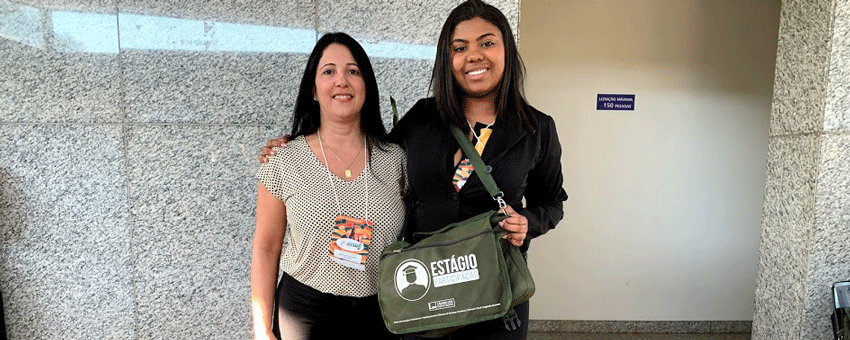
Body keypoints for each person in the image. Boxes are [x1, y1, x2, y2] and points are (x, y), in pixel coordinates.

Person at [259, 1, 567, 339]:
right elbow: (371, 153)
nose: (474, 55)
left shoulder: (536, 129)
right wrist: (297, 147)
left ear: (506, 49)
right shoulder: (423, 118)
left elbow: (552, 201)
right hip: (423, 292)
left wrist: (529, 222)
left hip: (494, 294)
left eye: (487, 42)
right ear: (447, 60)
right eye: (460, 47)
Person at [251, 32, 406, 340]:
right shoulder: (284, 159)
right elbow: (266, 248)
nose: (341, 81)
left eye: (353, 71)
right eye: (329, 71)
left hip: (379, 314)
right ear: (313, 87)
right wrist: (260, 327)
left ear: (366, 84)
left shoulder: (396, 159)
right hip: (303, 314)